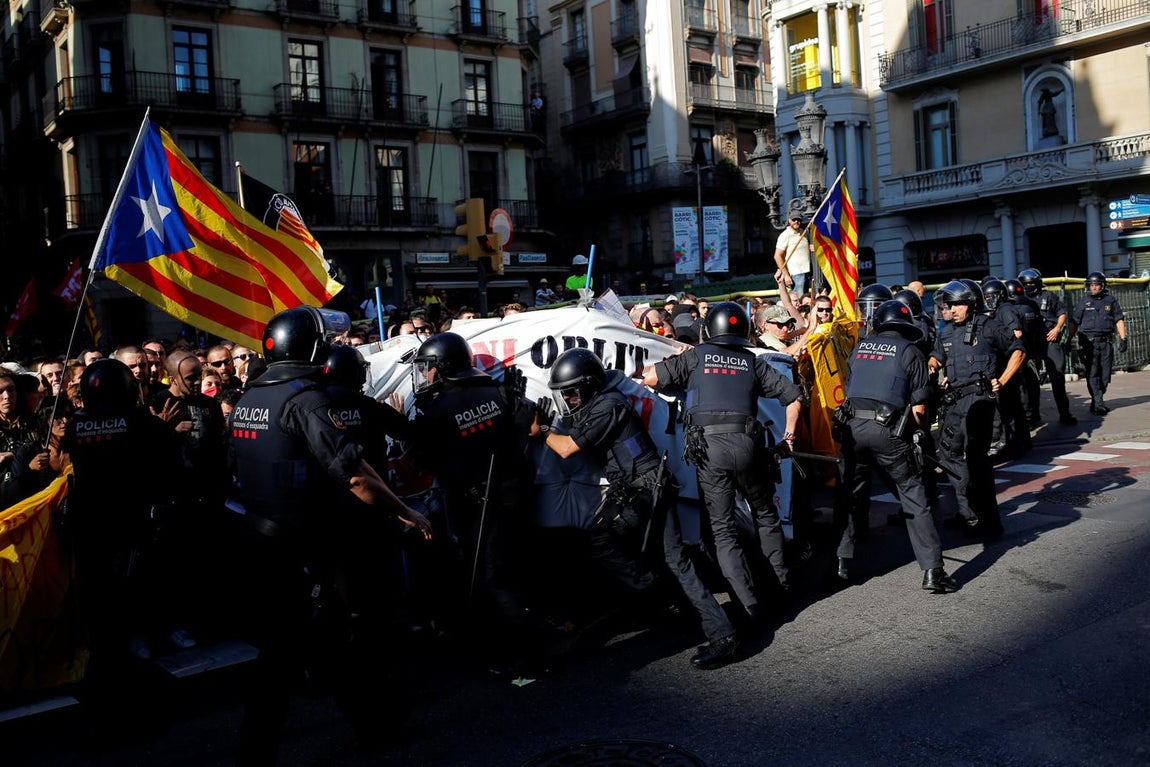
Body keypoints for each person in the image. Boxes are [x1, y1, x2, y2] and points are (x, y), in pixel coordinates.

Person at [228, 305, 432, 765]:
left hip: (260, 539)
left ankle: (373, 723)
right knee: (296, 652)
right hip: (298, 546)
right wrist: (405, 513)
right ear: (309, 347)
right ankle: (258, 752)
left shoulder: (250, 397)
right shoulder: (306, 399)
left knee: (319, 643)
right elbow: (355, 475)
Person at [535, 349, 740, 669]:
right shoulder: (600, 404)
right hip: (646, 488)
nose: (569, 402)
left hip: (643, 489)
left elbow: (566, 448)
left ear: (589, 386)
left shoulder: (608, 405)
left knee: (600, 540)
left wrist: (540, 430)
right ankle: (716, 630)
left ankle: (655, 594)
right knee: (675, 562)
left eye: (572, 394)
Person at [641, 302, 803, 623]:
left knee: (723, 529)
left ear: (707, 330)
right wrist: (788, 439)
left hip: (709, 451)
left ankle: (748, 604)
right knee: (766, 517)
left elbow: (650, 379)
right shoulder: (752, 361)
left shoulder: (696, 356)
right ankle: (781, 588)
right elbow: (794, 397)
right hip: (749, 447)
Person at [59, 359, 181, 741]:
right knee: (126, 622)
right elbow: (172, 469)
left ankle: (103, 704)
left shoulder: (75, 427)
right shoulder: (144, 423)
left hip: (89, 538)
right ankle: (124, 712)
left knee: (102, 626)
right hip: (131, 535)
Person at [405, 333, 538, 671]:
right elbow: (531, 427)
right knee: (507, 569)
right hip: (514, 494)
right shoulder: (497, 391)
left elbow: (420, 459)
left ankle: (523, 655)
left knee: (489, 575)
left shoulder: (436, 410)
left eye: (428, 368)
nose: (425, 376)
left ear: (443, 367)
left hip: (476, 502)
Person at [833, 300, 959, 592]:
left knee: (848, 498)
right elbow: (919, 409)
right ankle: (933, 572)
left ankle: (839, 564)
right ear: (906, 326)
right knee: (914, 497)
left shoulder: (860, 348)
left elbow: (851, 390)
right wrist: (919, 437)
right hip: (888, 432)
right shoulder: (911, 352)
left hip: (851, 430)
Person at [930, 280, 1025, 538]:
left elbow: (1018, 351)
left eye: (957, 304)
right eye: (949, 304)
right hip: (954, 403)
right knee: (948, 456)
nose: (952, 309)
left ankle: (991, 522)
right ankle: (968, 512)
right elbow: (937, 358)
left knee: (977, 461)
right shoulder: (946, 331)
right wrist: (928, 368)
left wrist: (1002, 381)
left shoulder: (989, 326)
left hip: (980, 401)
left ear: (971, 303)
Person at [1018, 268, 1076, 425]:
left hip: (1049, 340)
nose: (1027, 287)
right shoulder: (1020, 300)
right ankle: (1033, 415)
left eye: (1030, 284)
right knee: (1030, 381)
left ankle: (1065, 414)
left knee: (1057, 377)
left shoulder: (1048, 296)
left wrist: (1057, 329)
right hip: (1031, 343)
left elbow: (1062, 313)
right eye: (1025, 284)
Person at [1069, 271, 1128, 415]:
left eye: (1096, 285)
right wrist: (1068, 340)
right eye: (1091, 285)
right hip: (1089, 344)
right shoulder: (1083, 301)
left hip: (1106, 343)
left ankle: (1096, 401)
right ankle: (1099, 402)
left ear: (1102, 285)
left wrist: (1123, 338)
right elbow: (1074, 322)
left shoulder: (1110, 300)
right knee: (1092, 373)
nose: (1094, 288)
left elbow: (1119, 319)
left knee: (1105, 375)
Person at [773, 215, 811, 296]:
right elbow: (777, 256)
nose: (796, 221)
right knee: (798, 299)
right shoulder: (785, 235)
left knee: (805, 299)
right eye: (794, 220)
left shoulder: (803, 232)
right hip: (795, 274)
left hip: (807, 272)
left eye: (798, 219)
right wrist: (786, 275)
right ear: (789, 220)